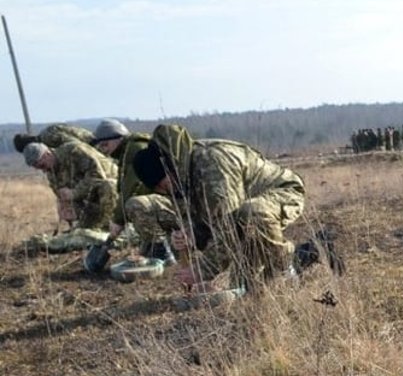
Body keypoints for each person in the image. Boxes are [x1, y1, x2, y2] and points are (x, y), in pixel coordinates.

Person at [132, 123, 305, 293]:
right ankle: (290, 260)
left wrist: (202, 270)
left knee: (252, 212)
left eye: (163, 186)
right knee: (246, 286)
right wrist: (192, 234)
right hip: (241, 209)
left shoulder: (213, 165)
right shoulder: (181, 176)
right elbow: (207, 221)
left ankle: (284, 269)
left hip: (282, 193)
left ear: (169, 172)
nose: (165, 193)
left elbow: (228, 229)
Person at [89, 118, 179, 263]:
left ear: (118, 138)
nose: (103, 149)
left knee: (135, 205)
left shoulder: (135, 149)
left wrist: (117, 220)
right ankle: (158, 248)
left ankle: (162, 253)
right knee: (144, 250)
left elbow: (131, 187)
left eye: (105, 144)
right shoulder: (126, 152)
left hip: (174, 206)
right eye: (100, 145)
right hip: (165, 205)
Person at [23, 139, 118, 232]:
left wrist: (74, 193)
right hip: (93, 201)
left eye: (42, 166)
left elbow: (97, 175)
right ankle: (95, 227)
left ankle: (113, 226)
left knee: (108, 185)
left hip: (118, 191)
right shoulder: (51, 173)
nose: (43, 170)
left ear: (47, 154)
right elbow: (64, 197)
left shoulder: (73, 151)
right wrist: (66, 209)